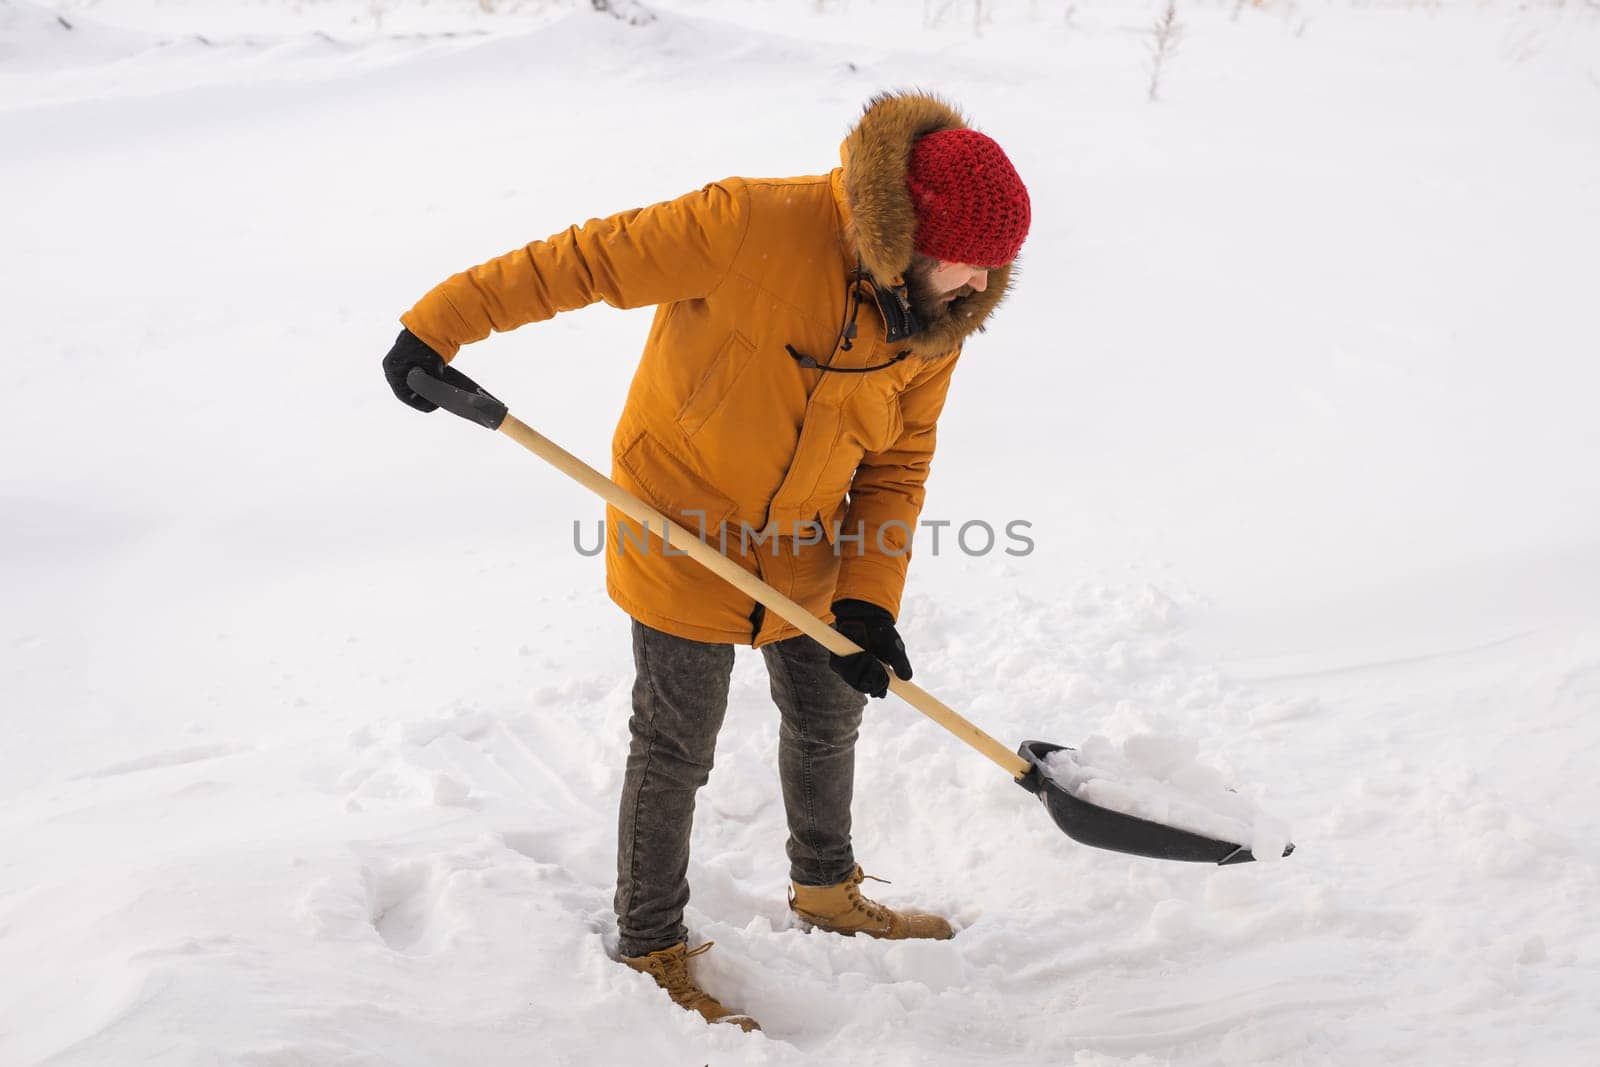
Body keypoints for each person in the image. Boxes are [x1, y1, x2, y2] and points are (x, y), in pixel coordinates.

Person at [382, 90, 1029, 1033]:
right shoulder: (749, 222)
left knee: (827, 716)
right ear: (916, 237)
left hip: (808, 540)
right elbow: (584, 261)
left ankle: (827, 892)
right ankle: (649, 940)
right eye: (971, 265)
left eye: (993, 272)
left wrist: (868, 601)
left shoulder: (935, 318)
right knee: (676, 743)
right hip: (677, 524)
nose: (979, 287)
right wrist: (437, 325)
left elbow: (898, 462)